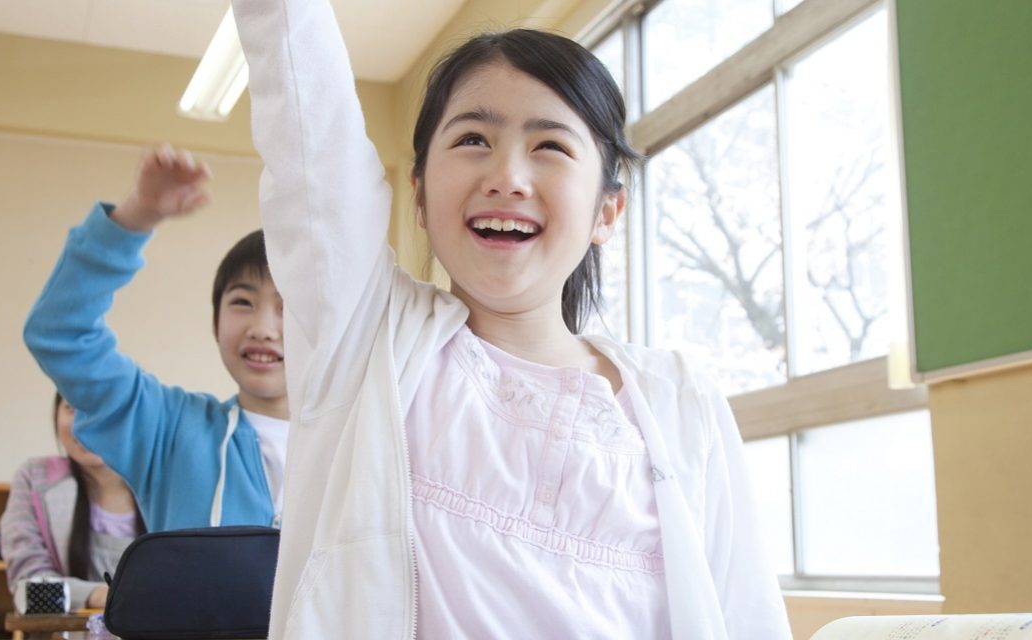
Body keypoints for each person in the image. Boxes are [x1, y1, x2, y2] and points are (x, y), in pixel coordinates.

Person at [235, 0, 792, 638]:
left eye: (550, 145)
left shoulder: (680, 401)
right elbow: (309, 121)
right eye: (472, 139)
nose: (507, 177)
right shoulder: (369, 341)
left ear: (607, 212)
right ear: (419, 194)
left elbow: (746, 614)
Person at [23, 147, 289, 531]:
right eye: (242, 302)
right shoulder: (167, 428)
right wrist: (136, 216)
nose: (263, 328)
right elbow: (60, 331)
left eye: (288, 308)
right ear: (214, 322)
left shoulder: (361, 441)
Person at [0, 393, 145, 611]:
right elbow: (27, 585)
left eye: (103, 407)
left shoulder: (167, 483)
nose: (86, 421)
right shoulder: (34, 477)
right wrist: (100, 595)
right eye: (72, 407)